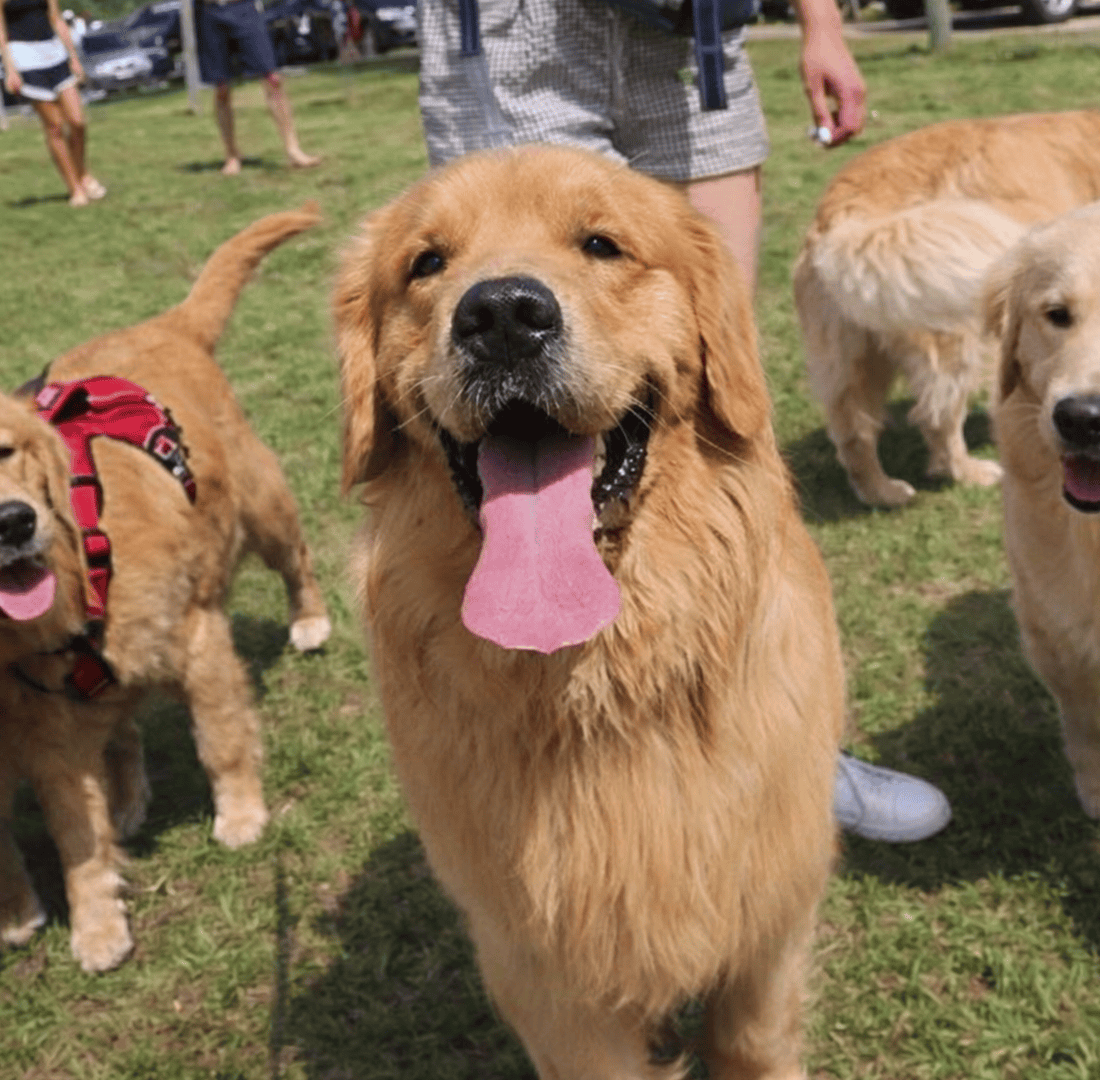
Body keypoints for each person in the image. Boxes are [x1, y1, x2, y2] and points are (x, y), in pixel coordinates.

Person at [416, 0, 950, 843]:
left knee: (725, 393)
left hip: (696, 30)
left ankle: (795, 738)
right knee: (524, 348)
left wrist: (822, 25)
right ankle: (578, 784)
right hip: (525, 26)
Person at [0, 0, 106, 207]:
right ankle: (75, 188)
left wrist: (74, 57)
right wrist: (10, 69)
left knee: (78, 122)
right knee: (55, 126)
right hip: (24, 56)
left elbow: (56, 18)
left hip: (54, 51)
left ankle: (83, 173)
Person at [193, 0, 322, 174]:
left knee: (273, 80)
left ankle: (294, 150)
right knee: (222, 87)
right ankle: (231, 155)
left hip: (243, 8)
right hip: (210, 12)